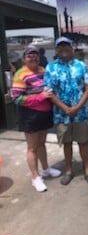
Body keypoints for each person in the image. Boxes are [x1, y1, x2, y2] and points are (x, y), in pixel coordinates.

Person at [44, 36, 88, 186]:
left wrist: (77, 107)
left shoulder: (82, 65)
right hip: (61, 114)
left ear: (72, 48)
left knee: (84, 142)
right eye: (60, 47)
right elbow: (49, 92)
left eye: (66, 46)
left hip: (80, 113)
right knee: (66, 143)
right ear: (56, 50)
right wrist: (65, 108)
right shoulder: (50, 67)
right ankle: (69, 170)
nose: (63, 49)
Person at [11, 45, 61, 192]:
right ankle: (35, 177)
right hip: (29, 115)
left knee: (42, 144)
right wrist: (40, 97)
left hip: (44, 113)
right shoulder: (20, 74)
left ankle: (46, 169)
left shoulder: (42, 70)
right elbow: (17, 98)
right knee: (32, 148)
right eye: (29, 55)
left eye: (36, 55)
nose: (33, 57)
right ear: (24, 58)